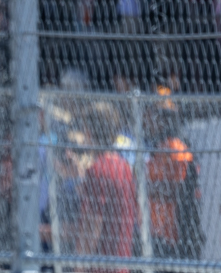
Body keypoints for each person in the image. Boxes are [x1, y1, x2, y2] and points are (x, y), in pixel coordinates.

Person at [145, 98, 203, 260]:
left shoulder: (176, 149)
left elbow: (178, 189)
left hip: (172, 233)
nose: (152, 123)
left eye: (156, 118)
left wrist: (149, 188)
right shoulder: (159, 148)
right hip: (156, 229)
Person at [77, 108, 137, 261]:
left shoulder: (97, 170)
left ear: (89, 133)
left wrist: (79, 268)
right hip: (120, 264)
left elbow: (92, 228)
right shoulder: (124, 167)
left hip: (98, 270)